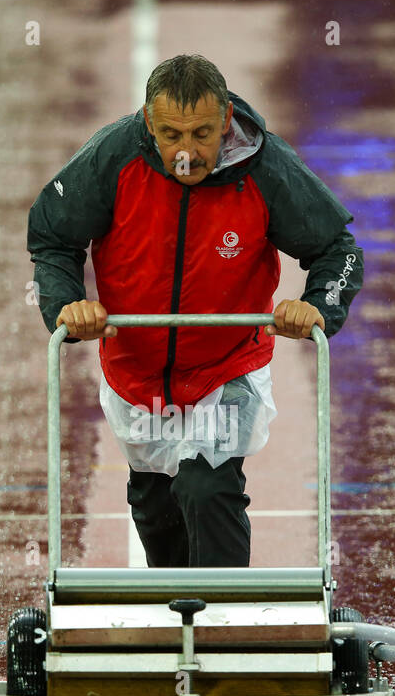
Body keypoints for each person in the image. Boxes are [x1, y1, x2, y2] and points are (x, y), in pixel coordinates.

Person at [27, 54, 363, 567]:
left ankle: (225, 625)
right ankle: (177, 624)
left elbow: (338, 251)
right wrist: (65, 304)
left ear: (227, 119)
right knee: (156, 506)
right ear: (147, 122)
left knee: (207, 490)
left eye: (202, 134)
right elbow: (52, 234)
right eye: (171, 135)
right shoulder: (112, 157)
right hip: (136, 373)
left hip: (224, 367)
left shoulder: (264, 167)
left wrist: (318, 307)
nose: (186, 154)